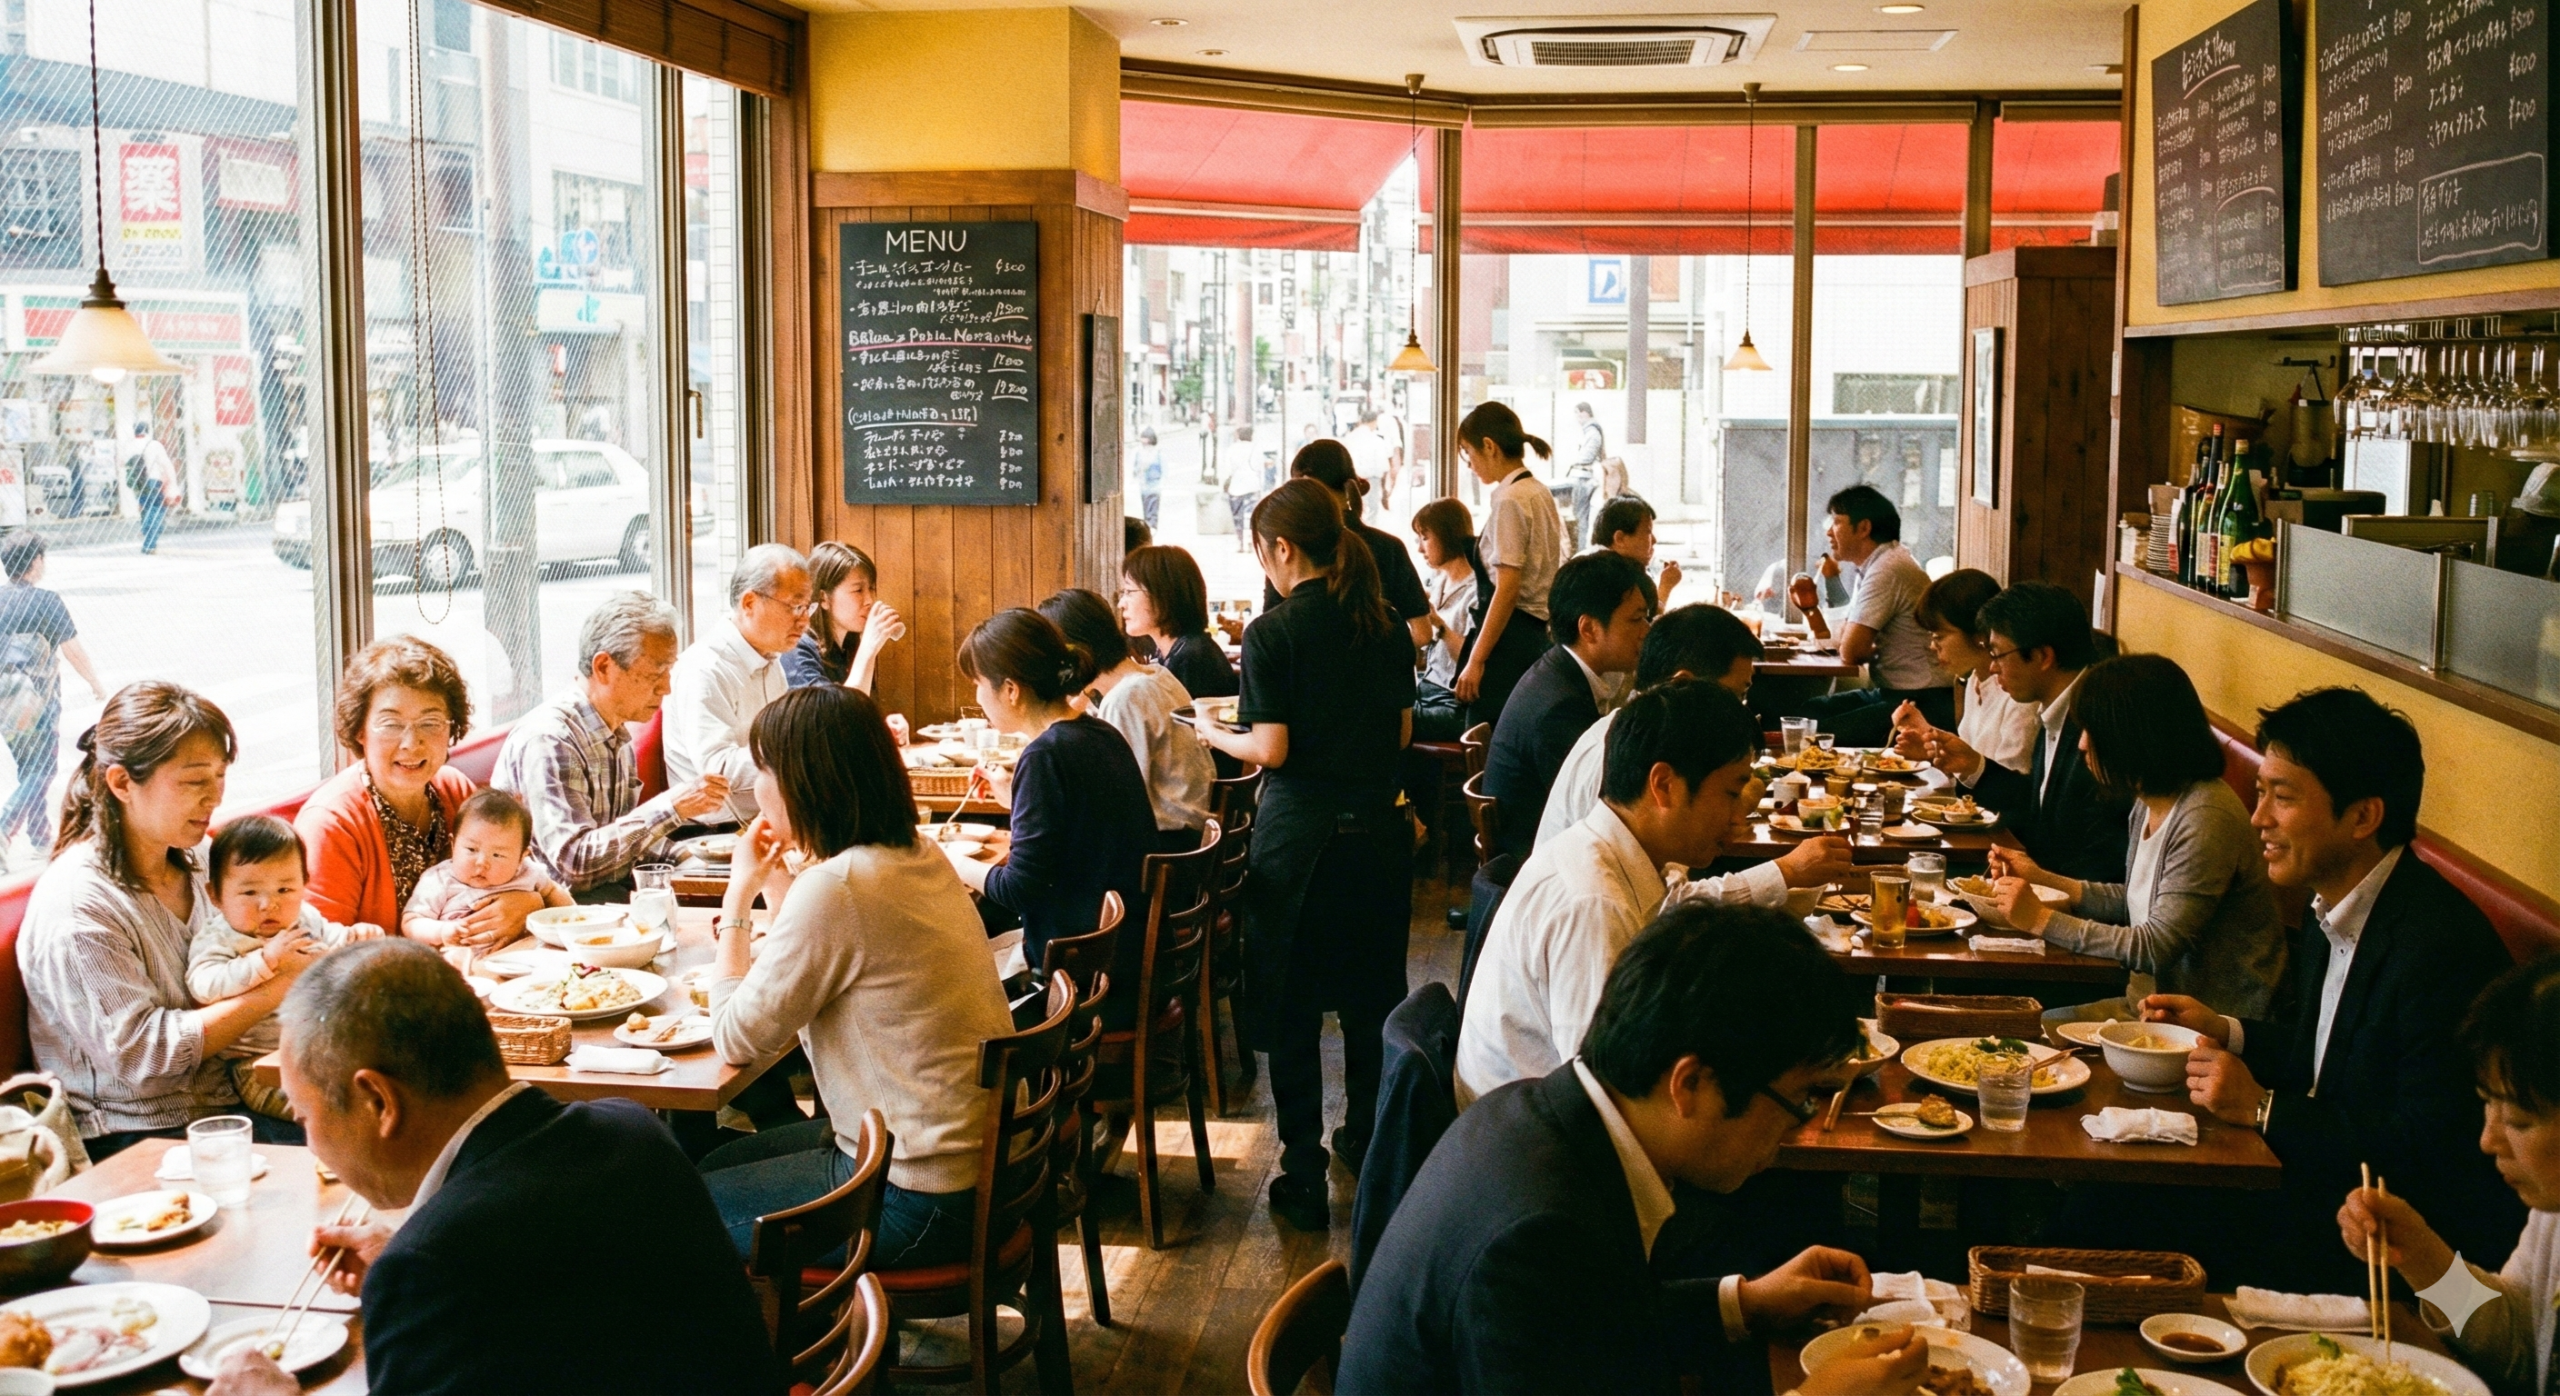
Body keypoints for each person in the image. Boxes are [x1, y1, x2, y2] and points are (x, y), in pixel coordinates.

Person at [1342, 902, 1927, 1396]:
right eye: (1798, 1100)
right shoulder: (1539, 1235)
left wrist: (1746, 1303)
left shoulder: (1538, 1113)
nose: (1799, 1130)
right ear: (1689, 1085)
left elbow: (1593, 1326)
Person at [205, 940, 784, 1396]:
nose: (310, 1143)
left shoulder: (431, 1269)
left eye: (304, 1116)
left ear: (379, 1102)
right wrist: (418, 1260)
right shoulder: (630, 1128)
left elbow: (478, 1264)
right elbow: (571, 1312)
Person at [2130, 689, 2523, 1289]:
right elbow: (2323, 1057)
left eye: (2282, 797)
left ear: (2363, 817)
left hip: (2385, 1244)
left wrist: (2263, 1108)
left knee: (2131, 1215)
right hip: (2312, 1186)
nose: (2258, 817)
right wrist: (2226, 1031)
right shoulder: (2330, 906)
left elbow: (2429, 1144)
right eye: (2260, 792)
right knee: (2116, 1196)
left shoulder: (2437, 946)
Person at [696, 686, 1014, 1267]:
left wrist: (737, 896)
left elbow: (735, 1038)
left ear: (802, 781)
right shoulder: (914, 851)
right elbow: (811, 955)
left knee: (673, 1214)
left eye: (762, 769)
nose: (756, 787)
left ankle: (785, 1327)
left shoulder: (839, 886)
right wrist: (774, 880)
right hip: (975, 1169)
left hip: (914, 1198)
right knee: (714, 1163)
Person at [1459, 677, 1854, 1104]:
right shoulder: (1593, 902)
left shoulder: (1617, 855)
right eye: (1731, 792)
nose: (1739, 817)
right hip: (1537, 1131)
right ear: (1664, 785)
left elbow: (1672, 909)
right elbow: (1604, 1088)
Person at [1196, 478, 1415, 1232]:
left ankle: (1302, 1173)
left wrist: (1211, 732)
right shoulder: (1386, 624)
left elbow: (1272, 748)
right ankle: (1364, 1139)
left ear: (1282, 549)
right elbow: (1402, 734)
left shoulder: (1274, 632)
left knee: (1291, 1010)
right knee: (1368, 1002)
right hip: (1378, 840)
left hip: (1302, 845)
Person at [18, 683, 304, 1155]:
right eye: (194, 781)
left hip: (231, 1104)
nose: (214, 797)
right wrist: (276, 987)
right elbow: (143, 1059)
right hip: (137, 1133)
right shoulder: (78, 905)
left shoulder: (202, 859)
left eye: (220, 776)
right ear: (121, 783)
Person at [1986, 654, 2287, 1020]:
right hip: (2143, 1009)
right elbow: (2133, 901)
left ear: (2133, 735)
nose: (2082, 745)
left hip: (2202, 1024)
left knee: (2025, 1034)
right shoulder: (2148, 800)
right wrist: (2042, 878)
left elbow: (2155, 946)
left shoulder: (2206, 815)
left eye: (2093, 731)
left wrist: (2040, 919)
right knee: (2017, 1031)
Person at [2336, 955, 2560, 1396]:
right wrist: (2419, 1254)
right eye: (2487, 1103)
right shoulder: (2552, 1210)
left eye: (2518, 1119)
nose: (2488, 1140)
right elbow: (2520, 1341)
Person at [947, 608, 1155, 981]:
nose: (977, 696)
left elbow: (1018, 889)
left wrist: (950, 860)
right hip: (1123, 950)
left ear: (1011, 690)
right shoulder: (1099, 733)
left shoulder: (1044, 755)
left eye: (978, 683)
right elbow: (1082, 828)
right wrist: (1018, 799)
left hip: (1079, 971)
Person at [298, 637, 540, 944]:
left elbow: (520, 874)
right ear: (360, 729)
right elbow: (316, 952)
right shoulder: (332, 824)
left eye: (430, 722)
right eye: (391, 724)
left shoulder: (454, 789)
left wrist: (529, 903)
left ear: (451, 728)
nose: (411, 743)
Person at [492, 592, 730, 899]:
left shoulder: (614, 731)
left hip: (606, 899)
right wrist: (672, 806)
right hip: (553, 907)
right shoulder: (551, 740)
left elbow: (625, 844)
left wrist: (701, 865)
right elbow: (574, 864)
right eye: (655, 673)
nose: (666, 687)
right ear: (604, 667)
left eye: (669, 672)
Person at [1921, 581, 2133, 882]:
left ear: (2043, 657)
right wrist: (1975, 766)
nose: (1993, 668)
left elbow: (2104, 855)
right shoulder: (2054, 708)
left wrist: (2033, 885)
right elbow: (2037, 808)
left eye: (1998, 655)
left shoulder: (2100, 722)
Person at [1532, 604, 1775, 853]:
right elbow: (1638, 875)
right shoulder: (1619, 751)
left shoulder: (1653, 737)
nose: (1738, 712)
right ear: (1683, 683)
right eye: (1735, 695)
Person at [188, 815, 383, 1125]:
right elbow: (203, 984)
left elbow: (331, 940)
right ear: (216, 896)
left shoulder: (304, 918)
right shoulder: (221, 936)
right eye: (250, 893)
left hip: (319, 1048)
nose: (269, 904)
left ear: (305, 884)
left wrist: (356, 938)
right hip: (257, 1066)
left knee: (379, 1086)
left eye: (284, 889)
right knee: (329, 1113)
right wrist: (264, 961)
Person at [1481, 549, 1653, 858]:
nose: (1646, 631)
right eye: (1636, 619)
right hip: (1536, 866)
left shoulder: (1558, 671)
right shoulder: (1559, 709)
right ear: (1588, 629)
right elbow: (1604, 806)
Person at [1039, 587, 1213, 852]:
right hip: (1187, 833)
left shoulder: (1125, 698)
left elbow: (1117, 802)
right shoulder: (1156, 674)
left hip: (1168, 845)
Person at [1788, 485, 1951, 746]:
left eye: (1837, 522)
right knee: (1810, 713)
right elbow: (1844, 638)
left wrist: (1861, 644)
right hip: (1895, 692)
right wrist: (1811, 611)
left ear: (1864, 528)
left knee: (1820, 736)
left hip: (1924, 699)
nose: (1829, 532)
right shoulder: (1874, 565)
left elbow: (1851, 651)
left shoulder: (1888, 568)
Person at [665, 543, 811, 827]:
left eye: (807, 607)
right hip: (714, 834)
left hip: (766, 820)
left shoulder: (770, 658)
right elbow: (717, 770)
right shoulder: (705, 668)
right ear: (749, 603)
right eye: (795, 607)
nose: (804, 621)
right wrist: (800, 755)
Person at [1259, 439, 1433, 654]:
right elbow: (1423, 633)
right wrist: (1383, 657)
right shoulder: (1389, 548)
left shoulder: (1290, 551)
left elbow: (1270, 635)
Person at [1453, 401, 1565, 729]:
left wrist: (1476, 661)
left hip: (1509, 642)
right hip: (1535, 634)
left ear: (1489, 446)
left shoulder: (1510, 500)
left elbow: (1507, 588)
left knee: (1486, 735)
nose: (1470, 465)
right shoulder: (1537, 491)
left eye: (1468, 452)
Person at [0, 530, 106, 863]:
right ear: (36, 562)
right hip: (40, 699)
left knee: (29, 767)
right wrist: (94, 683)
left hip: (5, 701)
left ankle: (40, 835)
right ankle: (4, 828)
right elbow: (71, 649)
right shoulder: (46, 601)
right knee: (43, 769)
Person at [1889, 568, 2036, 775]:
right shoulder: (1974, 679)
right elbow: (1968, 762)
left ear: (1978, 633)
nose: (1933, 646)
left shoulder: (2018, 692)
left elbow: (2010, 784)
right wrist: (1926, 735)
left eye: (1939, 636)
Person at [401, 789, 574, 945]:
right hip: (466, 956)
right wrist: (441, 931)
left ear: (521, 857)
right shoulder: (439, 879)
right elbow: (412, 921)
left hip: (525, 952)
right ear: (453, 845)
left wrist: (575, 919)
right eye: (471, 849)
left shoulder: (528, 872)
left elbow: (553, 892)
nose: (482, 862)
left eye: (497, 855)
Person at [783, 541, 905, 694]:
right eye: (858, 590)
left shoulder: (847, 647)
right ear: (823, 598)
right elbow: (833, 709)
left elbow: (863, 706)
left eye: (871, 588)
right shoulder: (796, 647)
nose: (869, 600)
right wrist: (868, 649)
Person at [1121, 544, 1237, 701]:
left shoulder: (1193, 658)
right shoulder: (1170, 650)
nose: (1121, 604)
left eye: (1129, 592)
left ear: (1163, 595)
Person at [1409, 498, 1477, 743]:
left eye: (1425, 538)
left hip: (1452, 703)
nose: (1420, 548)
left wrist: (1439, 625)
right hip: (1426, 688)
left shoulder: (1476, 592)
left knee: (1385, 717)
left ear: (1448, 535)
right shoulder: (1437, 582)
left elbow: (1471, 659)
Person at [1592, 494, 1683, 610]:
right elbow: (1646, 619)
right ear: (1620, 539)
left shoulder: (1594, 564)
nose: (1654, 540)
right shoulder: (1614, 578)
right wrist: (1665, 586)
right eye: (1648, 532)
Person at [127, 423, 176, 555]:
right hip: (153, 481)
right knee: (157, 510)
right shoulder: (154, 445)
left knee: (147, 508)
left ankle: (146, 529)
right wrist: (173, 482)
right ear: (148, 431)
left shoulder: (129, 445)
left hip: (138, 484)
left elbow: (122, 463)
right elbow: (166, 464)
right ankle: (149, 542)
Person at [1345, 410, 1393, 510]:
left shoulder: (1349, 437)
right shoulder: (1377, 440)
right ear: (1374, 422)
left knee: (1355, 506)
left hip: (1352, 478)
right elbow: (1383, 466)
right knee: (1372, 508)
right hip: (1372, 479)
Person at [1135, 425, 1163, 531]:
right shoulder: (1141, 453)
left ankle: (1151, 527)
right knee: (1147, 510)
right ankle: (1150, 527)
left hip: (1153, 486)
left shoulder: (1156, 453)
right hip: (1146, 486)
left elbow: (1163, 469)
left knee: (1152, 510)